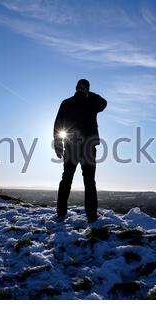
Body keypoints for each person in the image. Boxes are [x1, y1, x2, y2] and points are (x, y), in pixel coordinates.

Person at [53, 79, 107, 223]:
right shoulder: (87, 102)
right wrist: (89, 93)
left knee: (69, 179)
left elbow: (103, 103)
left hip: (76, 146)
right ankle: (91, 216)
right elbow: (103, 102)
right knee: (87, 181)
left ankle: (63, 213)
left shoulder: (71, 102)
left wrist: (59, 145)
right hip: (84, 147)